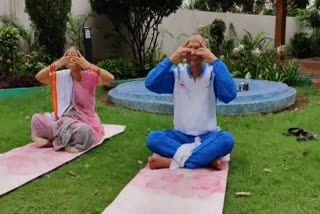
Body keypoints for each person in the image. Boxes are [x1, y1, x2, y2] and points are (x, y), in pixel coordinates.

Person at [145, 35, 237, 170]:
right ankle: (206, 160)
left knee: (226, 140)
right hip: (180, 137)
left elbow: (230, 95)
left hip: (207, 137)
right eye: (189, 48)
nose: (193, 52)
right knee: (153, 139)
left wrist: (214, 61)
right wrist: (173, 58)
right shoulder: (176, 74)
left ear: (206, 51)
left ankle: (170, 162)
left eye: (198, 48)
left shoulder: (213, 75)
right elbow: (150, 83)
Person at [31, 46, 114, 153]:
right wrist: (57, 64)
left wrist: (88, 65)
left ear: (81, 59)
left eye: (74, 57)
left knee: (86, 131)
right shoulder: (62, 77)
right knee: (36, 119)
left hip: (83, 121)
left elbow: (110, 78)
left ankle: (55, 139)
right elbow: (39, 77)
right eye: (67, 56)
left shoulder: (90, 76)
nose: (70, 59)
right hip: (65, 118)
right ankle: (64, 139)